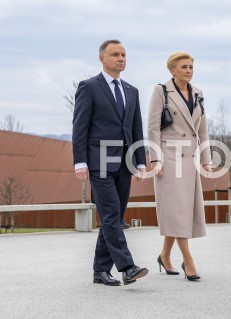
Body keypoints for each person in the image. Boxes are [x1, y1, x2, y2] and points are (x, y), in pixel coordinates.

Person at [72, 39, 148, 286]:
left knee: (112, 216)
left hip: (125, 163)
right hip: (99, 162)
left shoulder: (132, 91)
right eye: (115, 54)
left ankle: (100, 270)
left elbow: (136, 129)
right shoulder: (89, 87)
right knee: (112, 214)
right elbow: (80, 127)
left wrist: (140, 162)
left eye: (124, 54)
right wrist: (80, 161)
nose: (121, 58)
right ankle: (127, 267)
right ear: (102, 58)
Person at [147, 51, 212, 281]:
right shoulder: (161, 91)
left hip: (191, 158)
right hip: (169, 156)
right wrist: (154, 160)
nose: (189, 70)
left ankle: (164, 255)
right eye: (184, 67)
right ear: (172, 69)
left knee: (181, 211)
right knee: (177, 210)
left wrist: (206, 159)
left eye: (191, 66)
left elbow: (202, 129)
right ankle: (188, 260)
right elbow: (153, 127)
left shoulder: (198, 94)